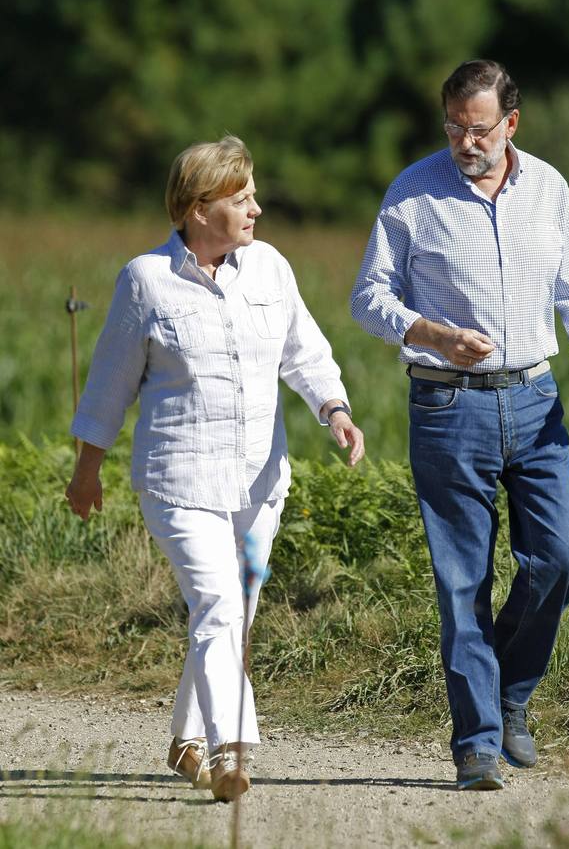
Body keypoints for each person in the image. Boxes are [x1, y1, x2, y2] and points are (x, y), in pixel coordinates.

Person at [65, 135, 364, 801]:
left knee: (230, 613)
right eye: (242, 196)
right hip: (178, 482)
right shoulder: (146, 280)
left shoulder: (270, 269)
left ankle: (185, 742)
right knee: (221, 605)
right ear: (199, 208)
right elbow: (110, 383)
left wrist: (335, 410)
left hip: (260, 484)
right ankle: (231, 750)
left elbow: (304, 353)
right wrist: (88, 469)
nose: (257, 208)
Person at [351, 59, 569, 791]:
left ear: (511, 124)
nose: (466, 142)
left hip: (534, 400)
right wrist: (428, 332)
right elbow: (367, 297)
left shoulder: (550, 190)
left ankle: (509, 691)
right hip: (446, 405)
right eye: (454, 128)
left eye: (479, 128)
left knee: (562, 557)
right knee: (461, 578)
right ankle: (477, 743)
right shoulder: (413, 193)